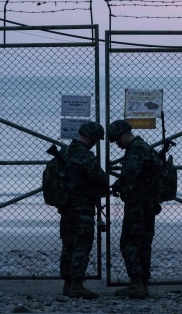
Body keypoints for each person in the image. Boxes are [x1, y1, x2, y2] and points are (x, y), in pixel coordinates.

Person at [107, 119, 161, 299]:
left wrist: (120, 188)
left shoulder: (135, 150)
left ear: (123, 134)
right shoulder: (144, 147)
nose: (117, 145)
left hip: (138, 204)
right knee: (144, 243)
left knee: (129, 242)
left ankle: (136, 283)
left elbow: (130, 176)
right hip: (148, 203)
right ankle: (143, 284)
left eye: (116, 140)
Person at [58, 121, 109, 299]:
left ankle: (67, 284)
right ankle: (77, 285)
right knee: (81, 246)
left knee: (68, 245)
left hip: (65, 208)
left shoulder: (64, 152)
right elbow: (102, 180)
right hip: (82, 208)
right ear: (92, 138)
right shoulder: (85, 156)